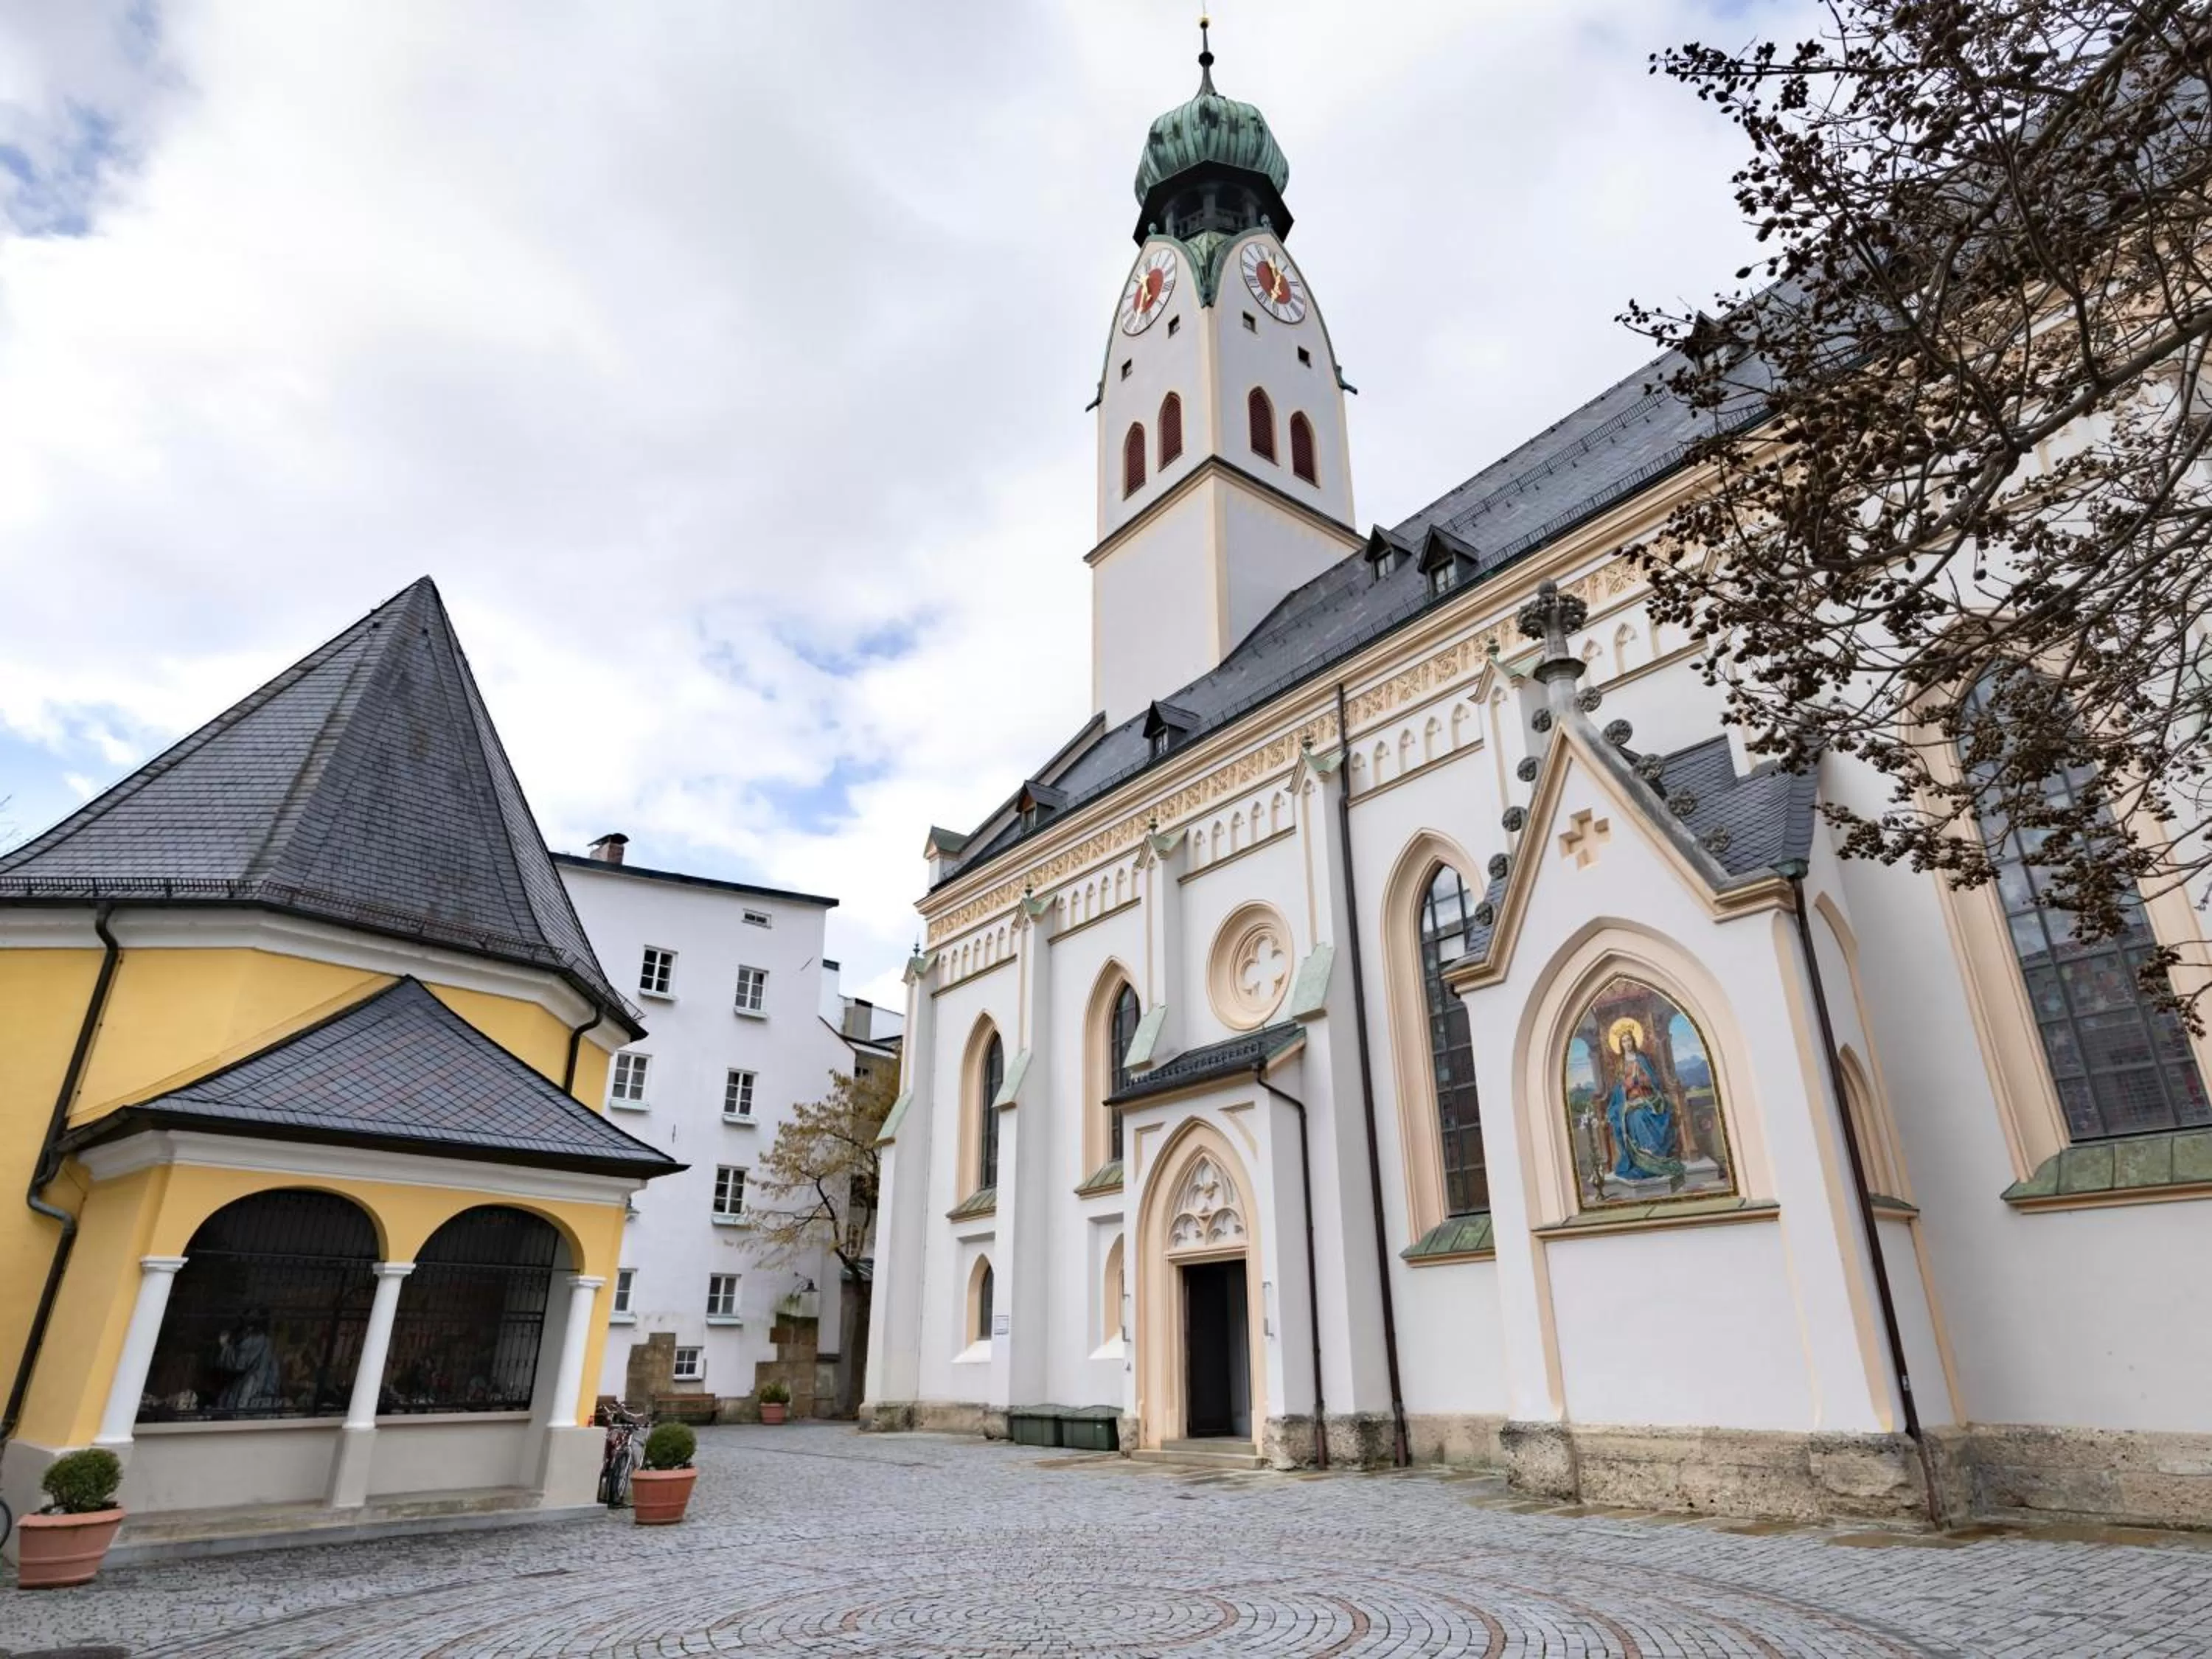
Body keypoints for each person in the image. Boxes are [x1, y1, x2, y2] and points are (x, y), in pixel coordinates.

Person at [1604, 1023, 1686, 1189]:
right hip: (1628, 1101)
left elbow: (1654, 1080)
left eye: (1629, 1040)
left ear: (1633, 1041)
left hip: (1647, 1098)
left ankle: (1651, 1152)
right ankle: (1639, 1158)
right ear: (1620, 1045)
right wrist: (1627, 1086)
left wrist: (1640, 1080)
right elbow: (1619, 1087)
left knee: (1641, 1115)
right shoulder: (1620, 1063)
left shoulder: (1641, 1059)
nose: (1627, 1043)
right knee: (1630, 1117)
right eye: (1624, 1041)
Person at [213, 1307, 285, 1414]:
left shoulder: (259, 1340)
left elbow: (240, 1364)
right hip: (253, 1389)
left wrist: (227, 1346)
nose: (246, 1326)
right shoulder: (262, 1341)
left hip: (253, 1389)